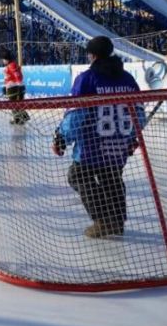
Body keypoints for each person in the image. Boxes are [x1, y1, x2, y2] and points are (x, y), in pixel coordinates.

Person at [52, 36, 142, 239]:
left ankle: (103, 221)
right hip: (117, 145)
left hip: (92, 146)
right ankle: (117, 222)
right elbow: (138, 112)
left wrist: (61, 137)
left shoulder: (87, 78)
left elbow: (76, 114)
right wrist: (131, 138)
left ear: (91, 55)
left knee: (77, 176)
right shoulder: (127, 78)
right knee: (112, 178)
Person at [1, 49, 30, 125]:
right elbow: (8, 78)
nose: (3, 61)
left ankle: (22, 117)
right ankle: (18, 118)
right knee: (14, 105)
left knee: (15, 104)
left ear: (7, 59)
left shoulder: (12, 65)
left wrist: (19, 86)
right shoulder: (10, 65)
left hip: (14, 88)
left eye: (3, 59)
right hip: (12, 88)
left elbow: (18, 76)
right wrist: (5, 87)